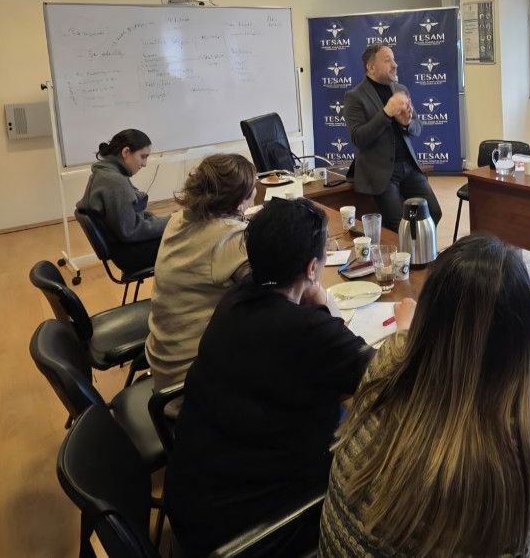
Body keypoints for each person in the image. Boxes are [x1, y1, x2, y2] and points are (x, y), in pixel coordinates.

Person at [320, 233, 530, 558]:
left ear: (427, 316)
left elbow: (408, 350)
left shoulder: (386, 363)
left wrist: (407, 332)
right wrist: (526, 382)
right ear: (524, 339)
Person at [164, 198, 373, 557]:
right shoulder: (307, 331)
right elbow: (385, 374)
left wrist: (314, 290)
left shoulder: (234, 299)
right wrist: (404, 326)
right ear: (312, 267)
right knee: (378, 455)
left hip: (195, 501)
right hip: (251, 532)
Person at [144, 153, 257, 413]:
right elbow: (278, 297)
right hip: (195, 391)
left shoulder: (177, 220)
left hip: (164, 372)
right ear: (241, 199)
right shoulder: (231, 240)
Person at [344, 43, 442, 231]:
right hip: (381, 171)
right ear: (371, 67)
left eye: (394, 59)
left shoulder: (400, 89)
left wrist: (406, 123)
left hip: (409, 167)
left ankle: (420, 249)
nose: (395, 65)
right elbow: (359, 138)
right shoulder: (354, 96)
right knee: (399, 225)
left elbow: (418, 127)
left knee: (433, 212)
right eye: (387, 60)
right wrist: (386, 112)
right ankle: (408, 250)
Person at [75, 129, 169, 274]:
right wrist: (170, 222)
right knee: (188, 241)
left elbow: (129, 218)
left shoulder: (106, 173)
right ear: (126, 152)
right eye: (143, 156)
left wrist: (164, 221)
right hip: (130, 254)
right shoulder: (114, 182)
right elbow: (131, 231)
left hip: (123, 248)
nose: (144, 164)